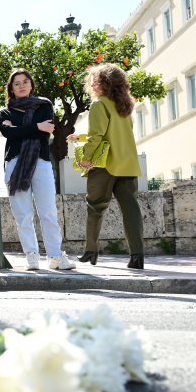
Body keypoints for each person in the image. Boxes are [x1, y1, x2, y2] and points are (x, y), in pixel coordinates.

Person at [0, 68, 75, 271]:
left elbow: (46, 132)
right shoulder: (5, 111)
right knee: (22, 213)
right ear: (11, 88)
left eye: (25, 81)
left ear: (31, 85)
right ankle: (31, 256)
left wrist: (21, 130)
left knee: (48, 210)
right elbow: (7, 132)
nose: (21, 85)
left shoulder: (44, 105)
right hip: (15, 163)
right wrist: (35, 127)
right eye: (16, 83)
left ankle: (56, 256)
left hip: (40, 162)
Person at [77, 63, 144, 270]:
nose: (93, 83)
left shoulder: (99, 104)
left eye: (97, 80)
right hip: (128, 164)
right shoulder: (125, 106)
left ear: (107, 84)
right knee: (131, 210)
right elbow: (115, 134)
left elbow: (98, 136)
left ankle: (91, 251)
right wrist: (80, 137)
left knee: (95, 208)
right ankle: (137, 257)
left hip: (105, 164)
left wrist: (87, 159)